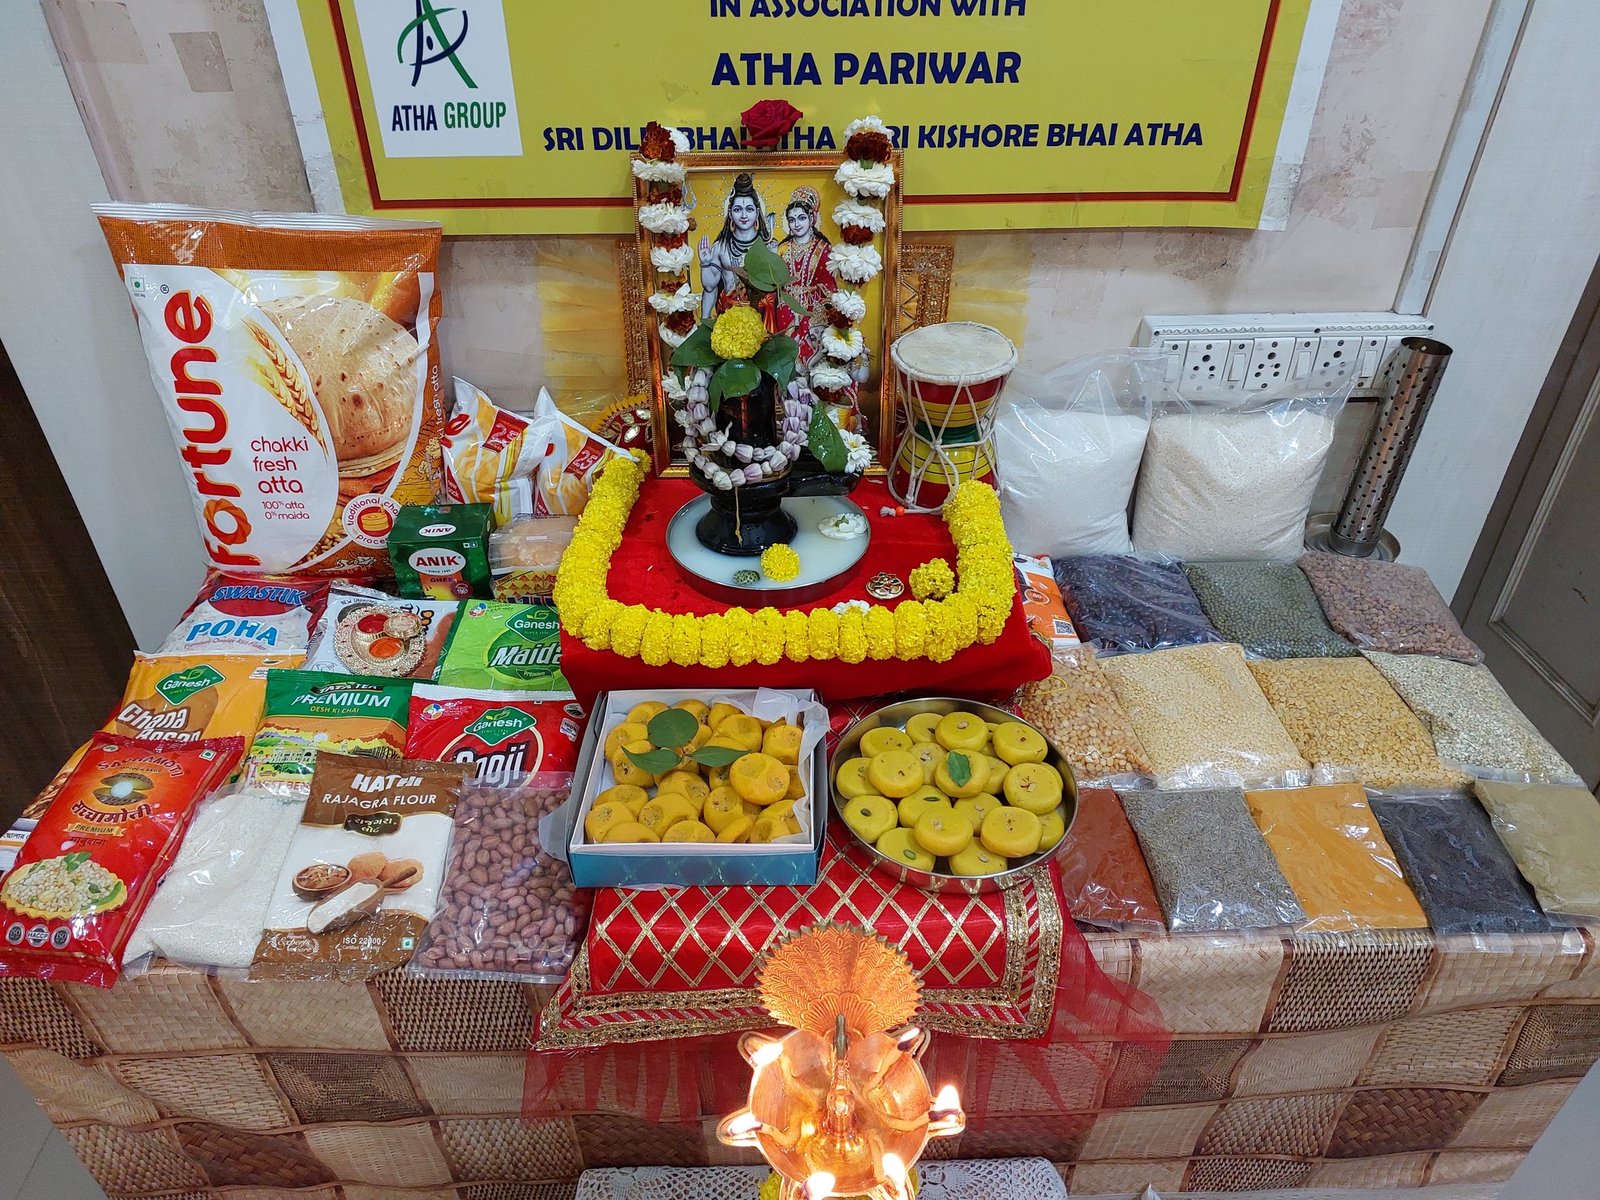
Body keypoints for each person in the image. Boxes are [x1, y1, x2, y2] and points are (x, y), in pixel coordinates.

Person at [698, 173, 777, 320]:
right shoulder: (721, 247)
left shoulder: (770, 246)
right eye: (737, 209)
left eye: (749, 209)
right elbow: (709, 288)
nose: (744, 215)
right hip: (729, 317)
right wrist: (705, 264)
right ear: (730, 213)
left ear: (757, 212)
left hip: (762, 317)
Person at [777, 186, 836, 370]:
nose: (797, 224)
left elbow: (829, 284)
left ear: (811, 218)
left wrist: (812, 299)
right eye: (792, 220)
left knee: (814, 348)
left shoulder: (823, 249)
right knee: (786, 353)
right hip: (785, 308)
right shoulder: (782, 249)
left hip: (814, 308)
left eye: (801, 218)